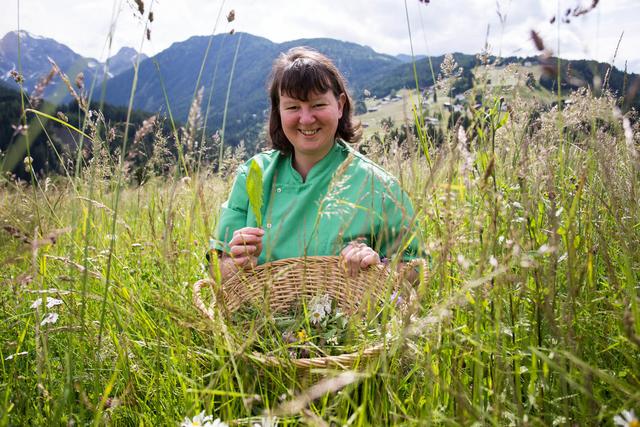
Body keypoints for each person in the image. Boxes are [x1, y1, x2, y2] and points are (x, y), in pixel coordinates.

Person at [210, 46, 422, 282]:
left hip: (348, 317)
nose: (307, 119)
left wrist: (377, 269)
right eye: (292, 107)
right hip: (257, 316)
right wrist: (237, 264)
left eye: (318, 105)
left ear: (340, 106)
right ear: (278, 111)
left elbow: (416, 268)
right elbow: (217, 268)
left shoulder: (378, 186)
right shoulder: (253, 174)